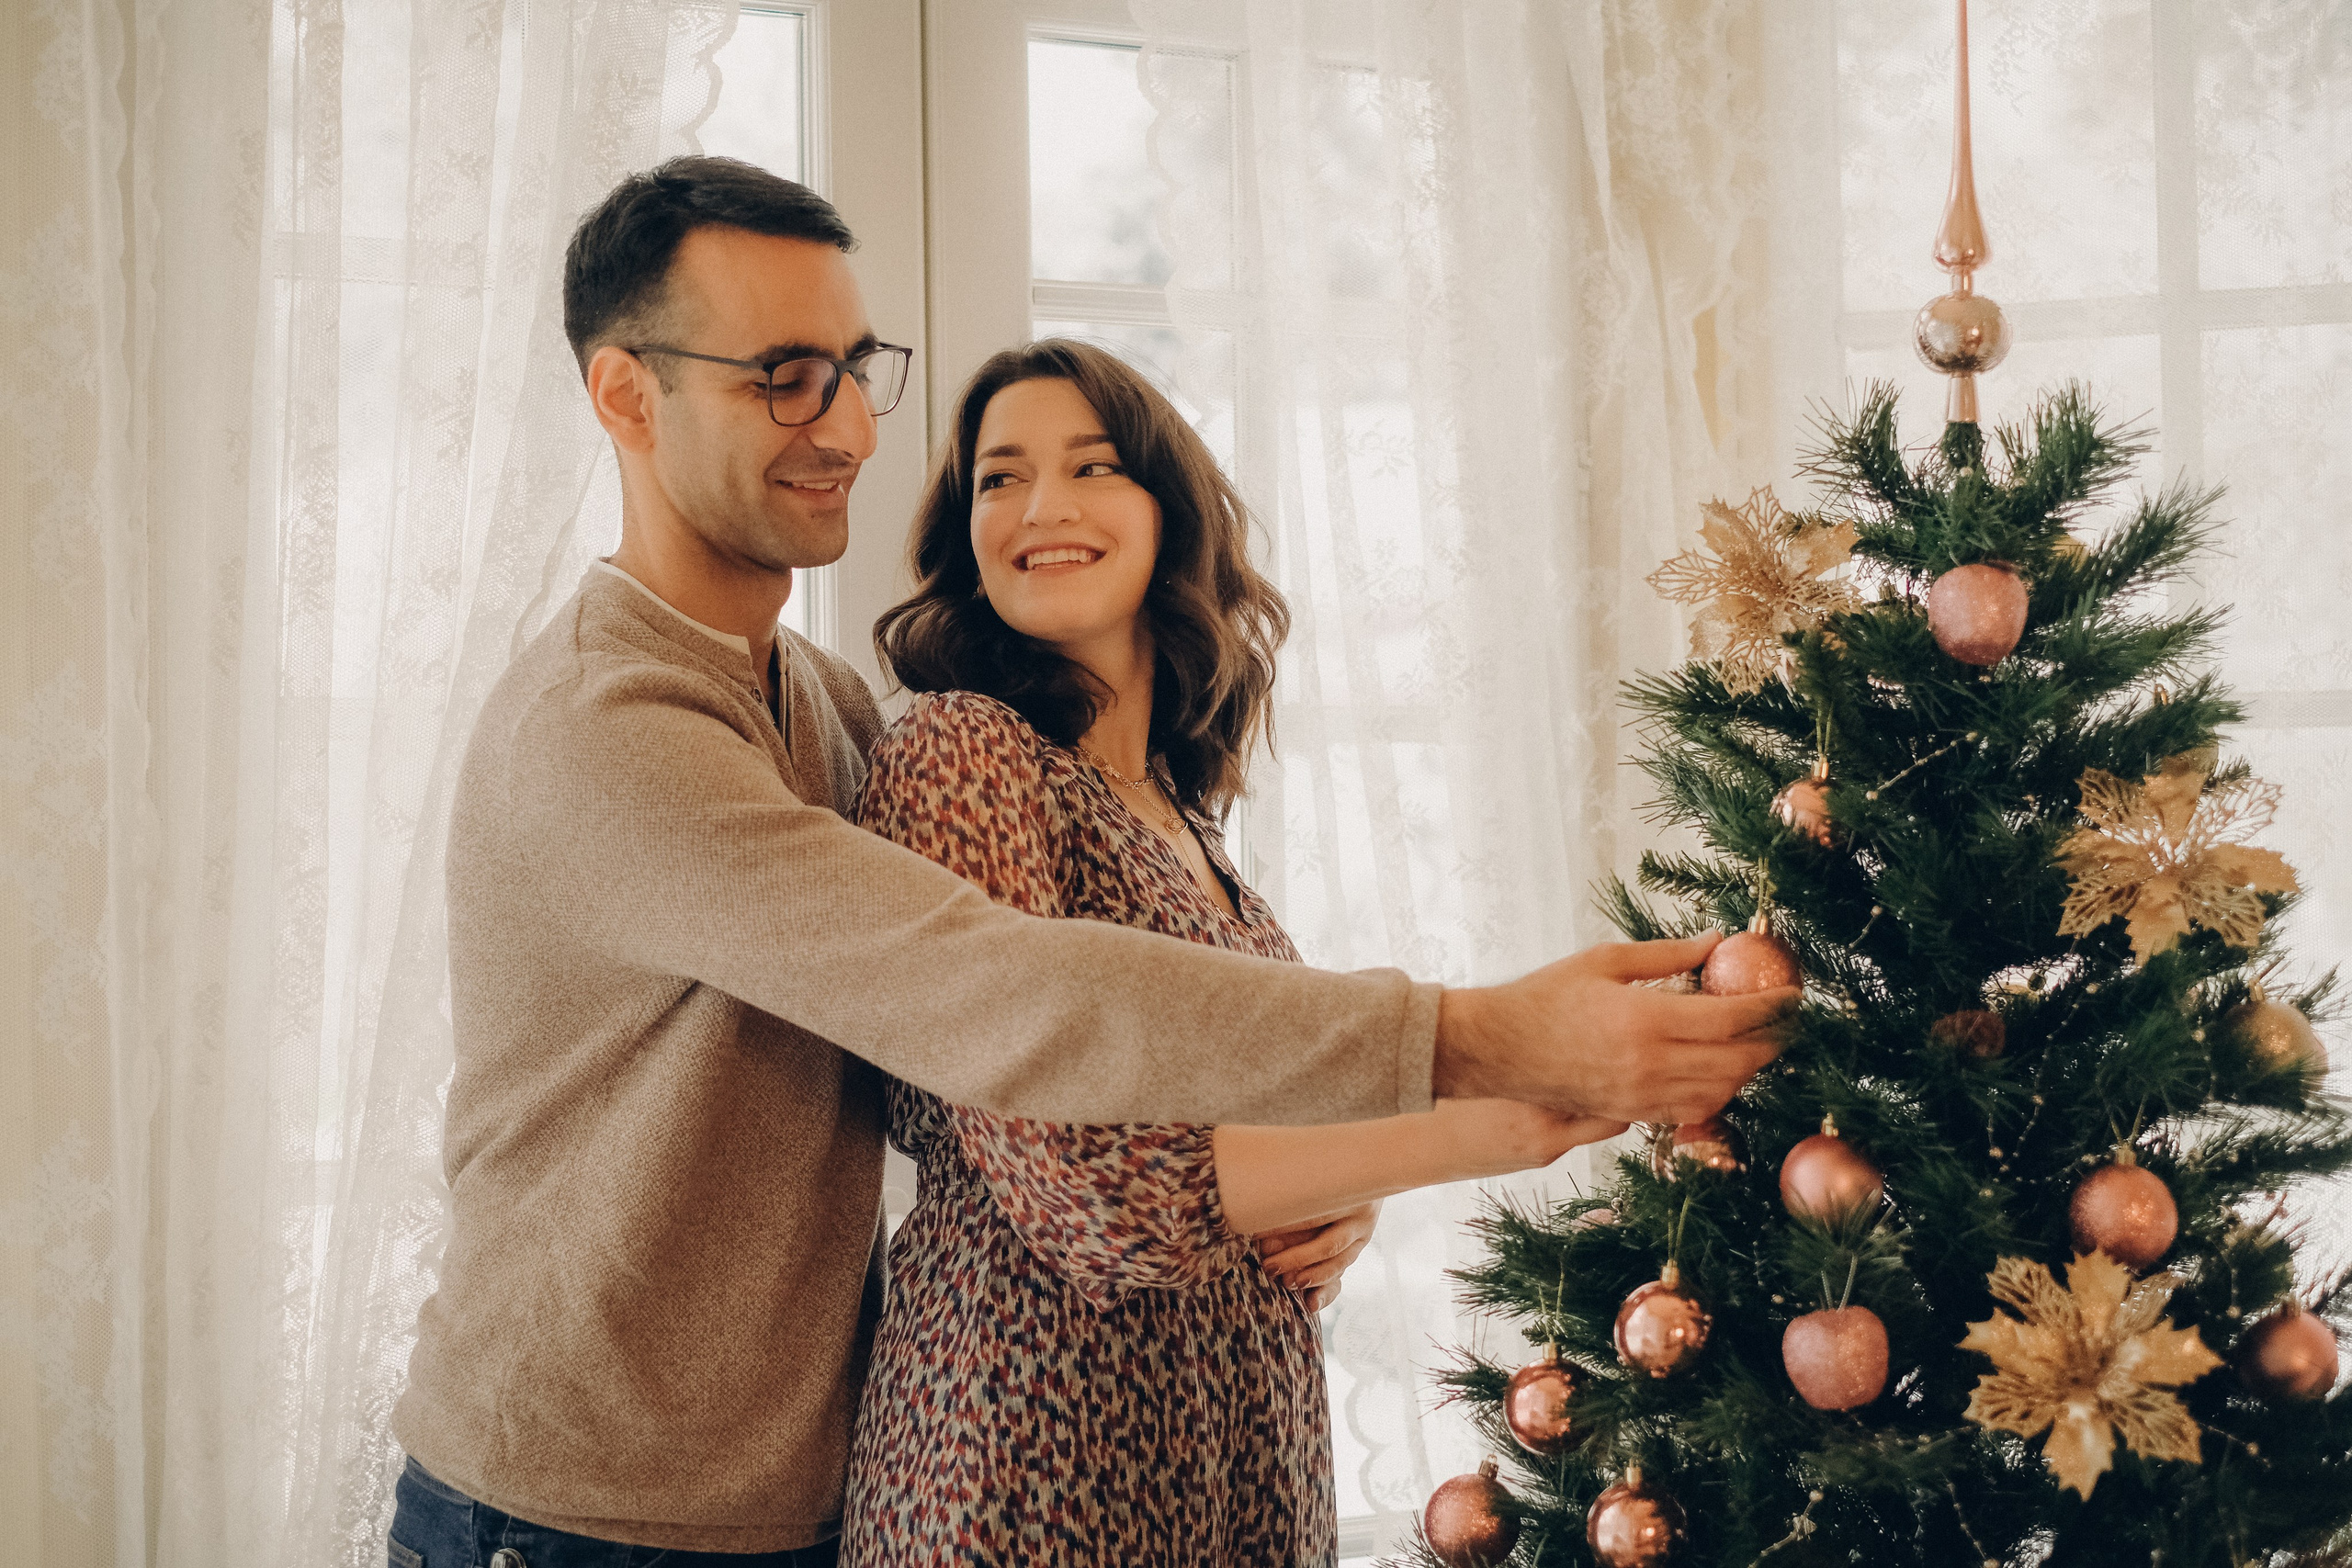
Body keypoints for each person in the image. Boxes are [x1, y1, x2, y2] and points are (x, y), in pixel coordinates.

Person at [385, 156, 1793, 1568]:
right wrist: (1482, 1044)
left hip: (792, 1495)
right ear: (628, 396)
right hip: (577, 1517)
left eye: (854, 368)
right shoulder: (611, 728)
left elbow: (1149, 1081)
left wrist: (1333, 1168)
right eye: (781, 376)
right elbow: (1002, 995)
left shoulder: (817, 701)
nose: (848, 426)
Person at [841, 340, 1639, 1563]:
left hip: (1241, 1462)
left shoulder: (1188, 818)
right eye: (998, 479)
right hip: (1022, 1467)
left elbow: (1248, 1122)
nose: (1041, 505)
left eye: (1092, 466)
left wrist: (1343, 1192)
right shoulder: (962, 751)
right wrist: (1490, 1116)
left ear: (1173, 514)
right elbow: (1089, 1190)